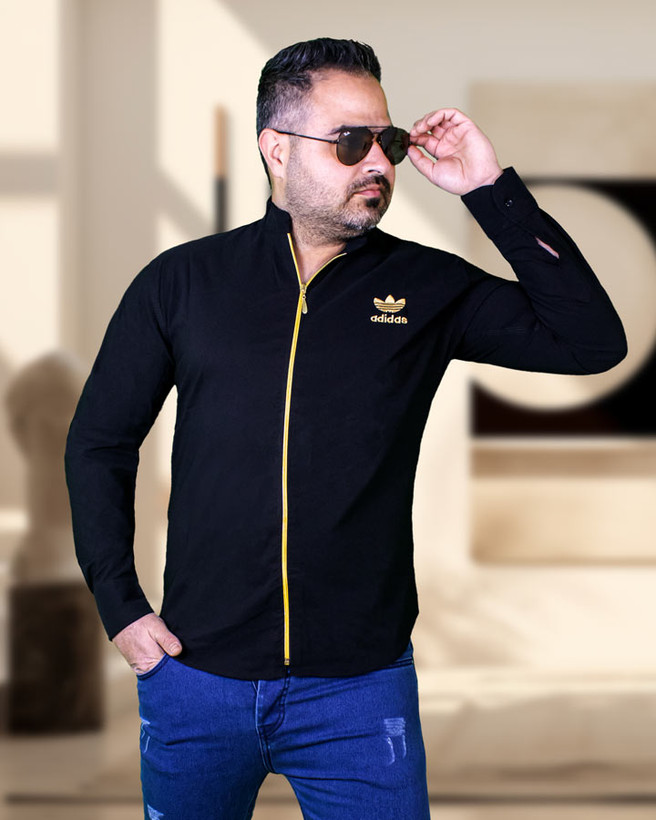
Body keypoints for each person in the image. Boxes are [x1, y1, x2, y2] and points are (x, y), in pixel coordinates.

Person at [65, 37, 626, 820]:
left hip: (359, 692)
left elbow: (593, 342)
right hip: (196, 679)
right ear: (277, 149)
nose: (379, 164)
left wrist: (489, 190)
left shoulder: (426, 286)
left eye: (387, 142)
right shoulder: (183, 282)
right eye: (351, 141)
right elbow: (99, 441)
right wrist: (120, 606)